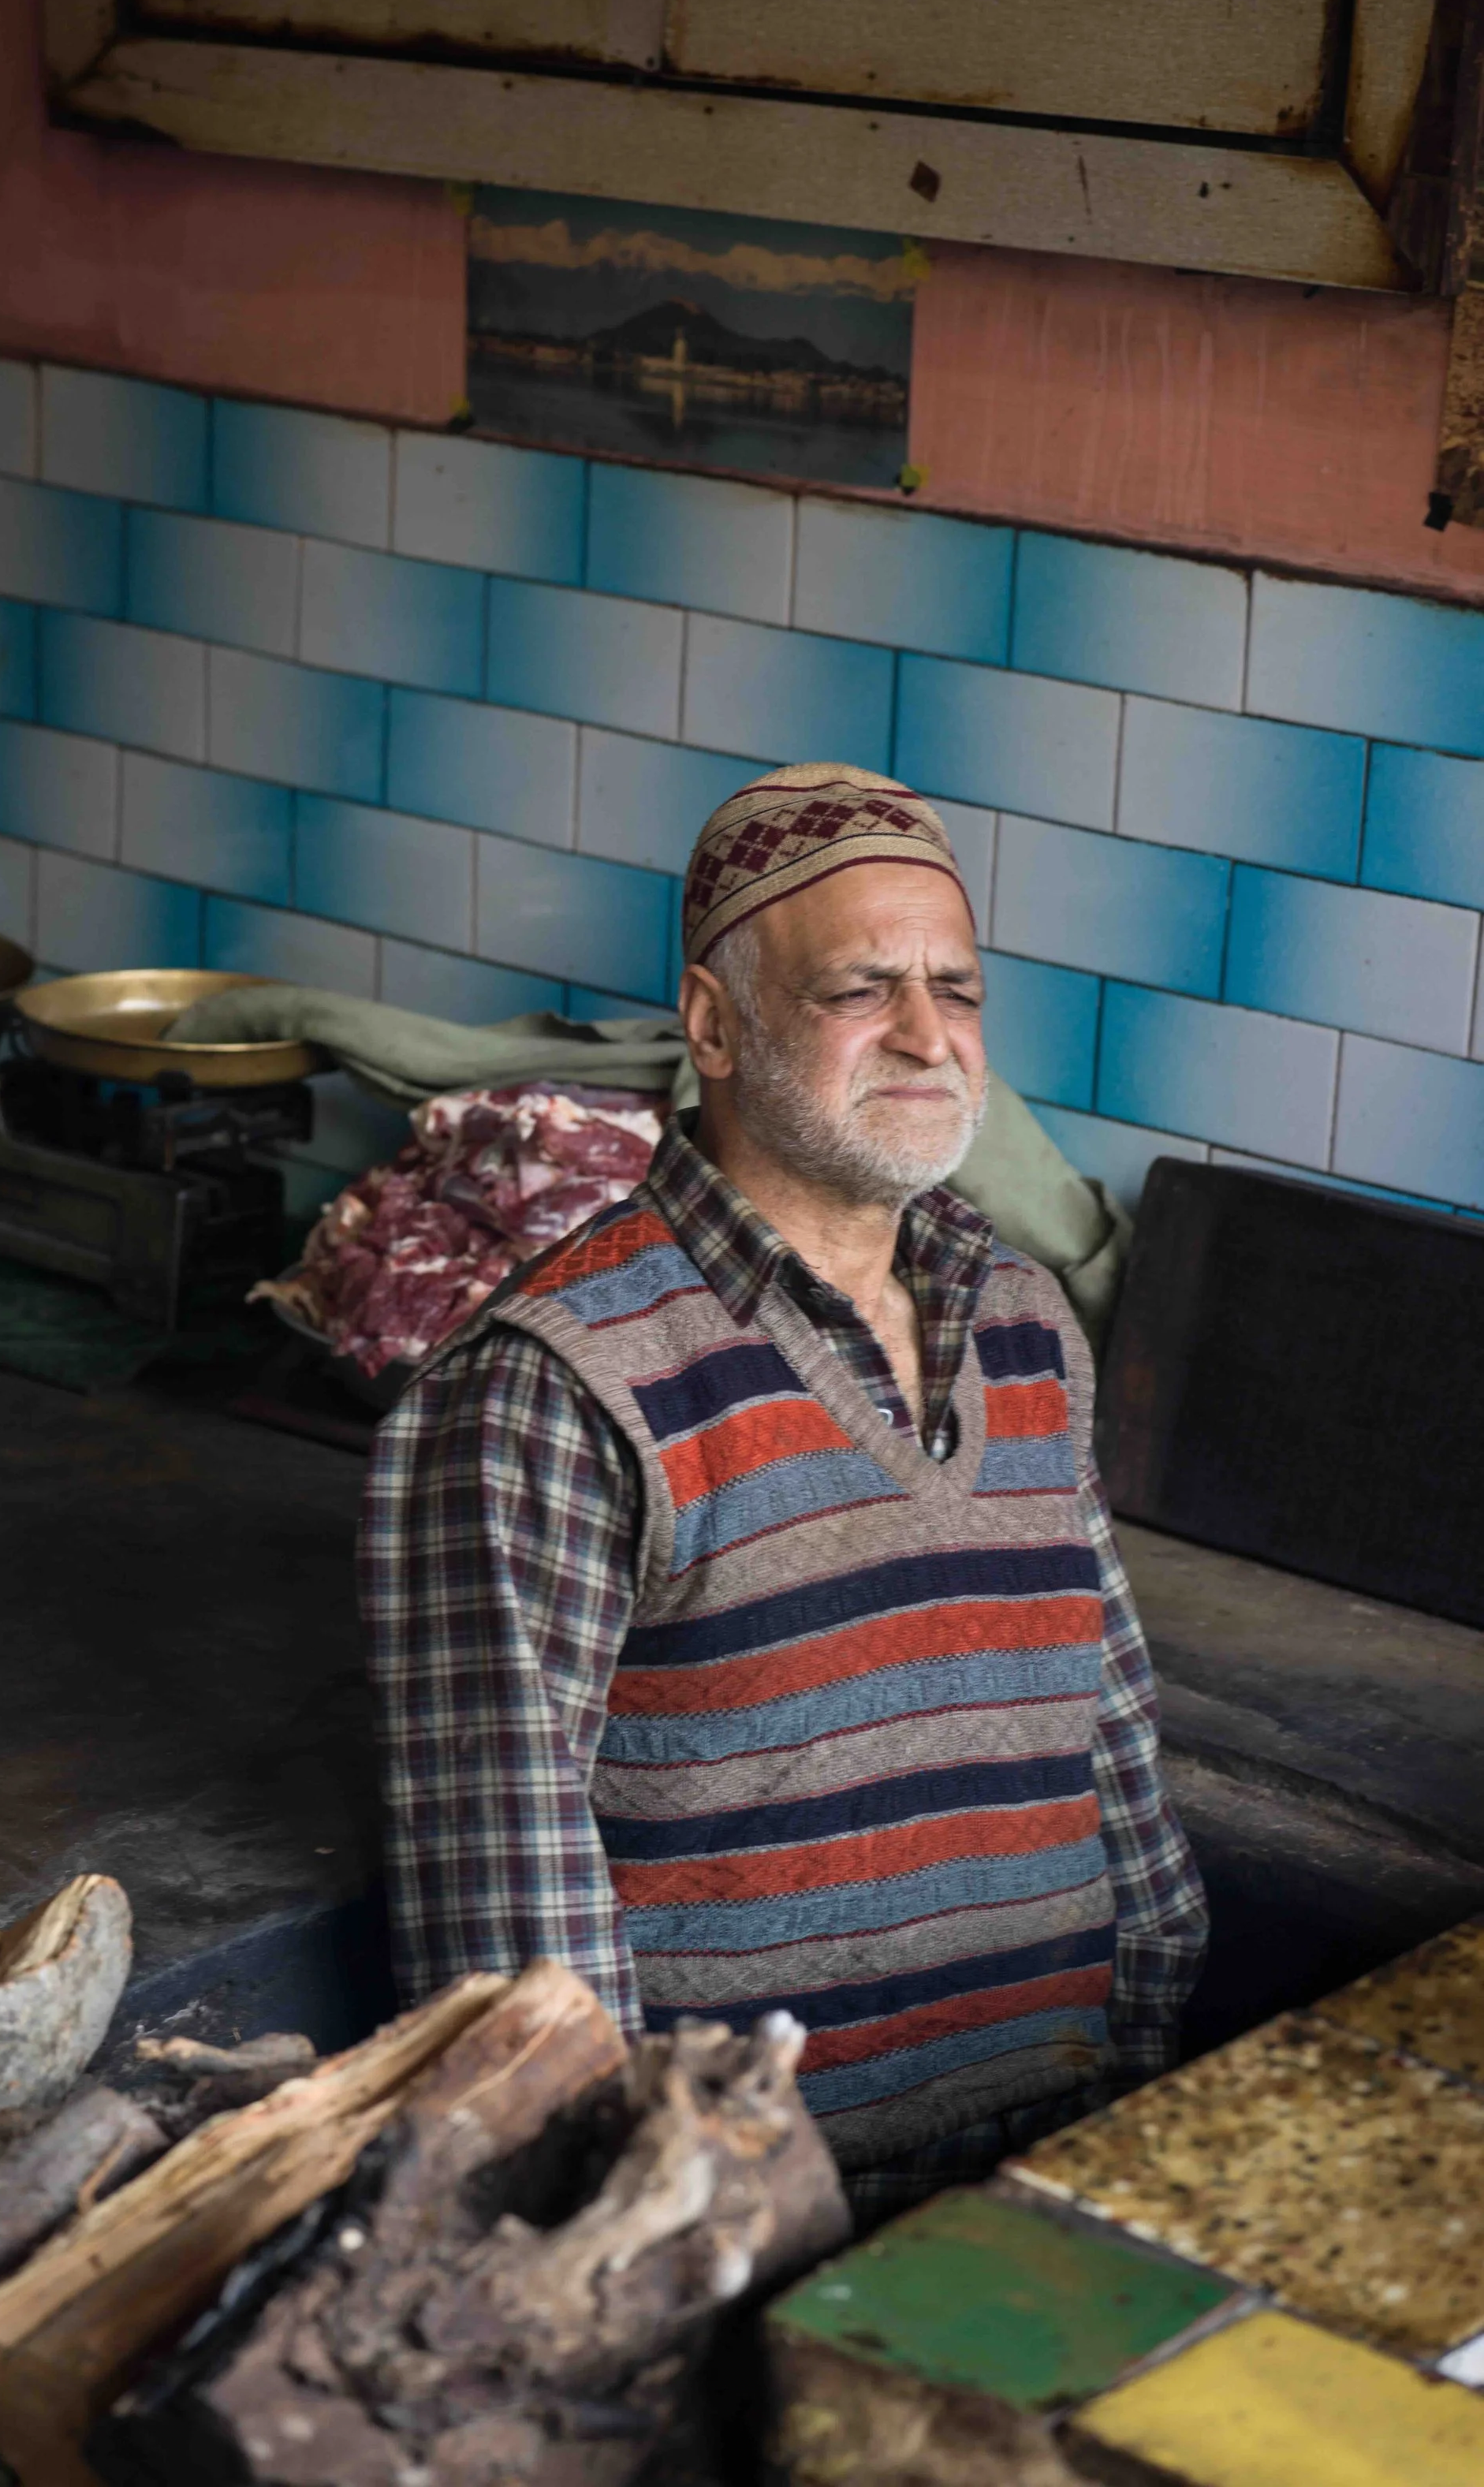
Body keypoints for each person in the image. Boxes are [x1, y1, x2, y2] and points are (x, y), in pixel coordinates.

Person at [359, 763, 1207, 2224]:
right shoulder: (556, 1384)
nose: (930, 1037)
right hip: (750, 2214)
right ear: (712, 1025)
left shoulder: (1023, 1320)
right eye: (859, 992)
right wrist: (672, 2240)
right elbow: (515, 1943)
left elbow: (1117, 1761)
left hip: (1053, 2164)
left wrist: (1129, 2109)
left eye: (957, 986)